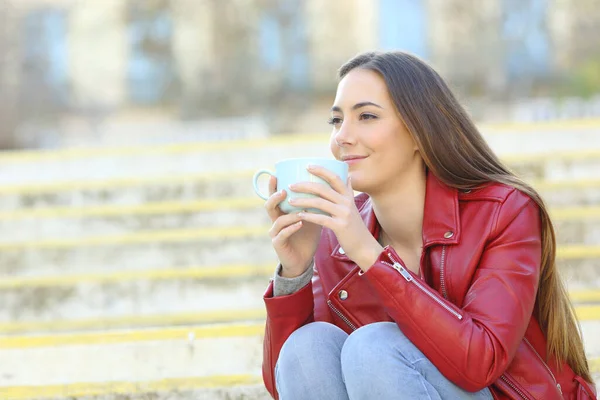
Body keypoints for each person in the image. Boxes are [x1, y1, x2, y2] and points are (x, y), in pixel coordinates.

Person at [260, 51, 597, 400]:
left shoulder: (504, 211)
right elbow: (290, 378)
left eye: (367, 116)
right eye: (336, 121)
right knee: (307, 346)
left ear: (420, 130)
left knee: (375, 348)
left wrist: (370, 255)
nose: (342, 137)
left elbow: (480, 363)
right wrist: (294, 273)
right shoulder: (337, 236)